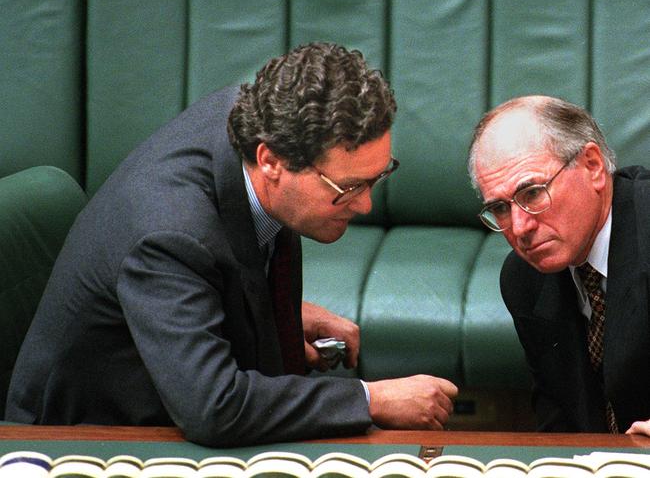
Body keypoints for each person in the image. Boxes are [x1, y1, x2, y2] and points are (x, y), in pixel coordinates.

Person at [6, 42, 458, 446]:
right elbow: (214, 408)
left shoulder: (255, 113)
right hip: (82, 442)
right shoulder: (170, 235)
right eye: (346, 189)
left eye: (377, 178)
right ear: (271, 161)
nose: (365, 206)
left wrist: (263, 311)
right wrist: (368, 398)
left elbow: (206, 271)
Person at [467, 95, 650, 436]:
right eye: (501, 209)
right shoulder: (524, 279)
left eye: (533, 193)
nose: (520, 227)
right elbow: (560, 426)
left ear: (593, 166)